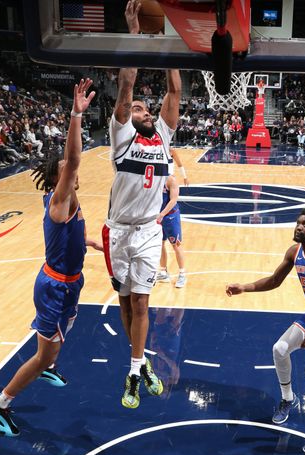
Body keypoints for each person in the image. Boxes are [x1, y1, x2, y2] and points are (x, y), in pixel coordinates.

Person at [0, 79, 101, 436]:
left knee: (63, 334)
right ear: (58, 178)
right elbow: (75, 158)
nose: (73, 169)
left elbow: (67, 236)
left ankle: (49, 360)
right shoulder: (60, 199)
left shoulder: (67, 203)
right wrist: (76, 114)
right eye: (66, 169)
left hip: (70, 281)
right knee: (44, 353)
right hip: (53, 287)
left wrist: (89, 242)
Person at [225, 208, 305, 455]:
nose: (299, 227)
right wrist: (245, 287)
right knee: (280, 349)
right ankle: (288, 398)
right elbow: (274, 281)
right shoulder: (294, 252)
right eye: (298, 223)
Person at [104, 0, 181, 409]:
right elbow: (127, 86)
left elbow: (174, 90)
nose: (145, 110)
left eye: (147, 109)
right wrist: (133, 31)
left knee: (141, 301)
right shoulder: (121, 138)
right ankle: (140, 360)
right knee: (123, 299)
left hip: (149, 229)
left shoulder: (164, 137)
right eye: (137, 109)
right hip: (117, 230)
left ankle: (135, 368)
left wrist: (169, 38)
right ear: (126, 117)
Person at [156, 148, 188, 288]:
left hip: (170, 216)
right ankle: (163, 272)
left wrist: (162, 214)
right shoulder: (153, 178)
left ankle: (182, 274)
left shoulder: (171, 179)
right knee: (160, 244)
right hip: (158, 216)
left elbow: (174, 199)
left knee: (176, 244)